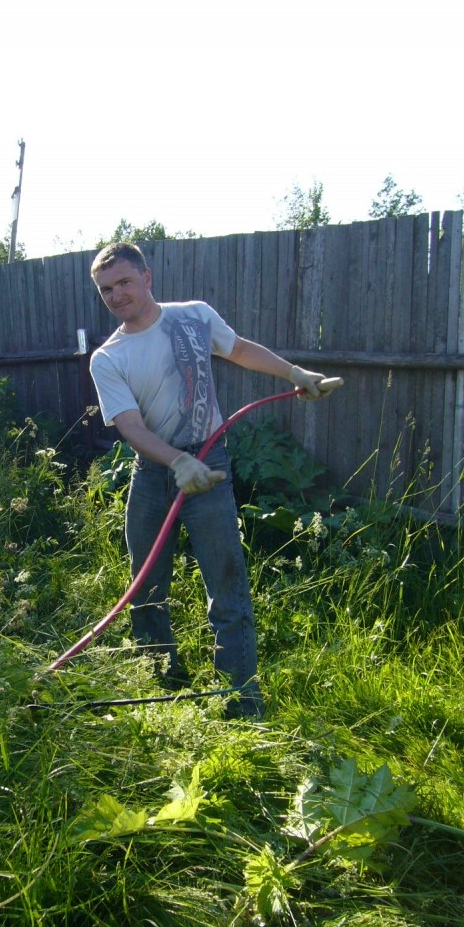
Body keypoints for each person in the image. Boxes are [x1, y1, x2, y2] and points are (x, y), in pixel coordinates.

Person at [88, 242, 332, 719]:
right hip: (155, 475)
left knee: (227, 585)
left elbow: (238, 349)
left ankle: (242, 704)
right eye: (105, 290)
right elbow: (132, 428)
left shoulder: (194, 317)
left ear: (147, 278)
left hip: (210, 466)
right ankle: (163, 685)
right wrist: (176, 461)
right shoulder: (107, 358)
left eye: (124, 283)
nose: (117, 295)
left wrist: (293, 371)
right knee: (145, 587)